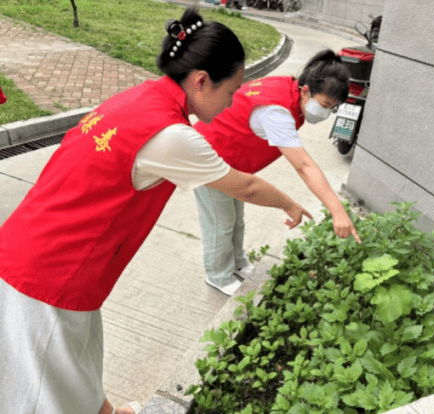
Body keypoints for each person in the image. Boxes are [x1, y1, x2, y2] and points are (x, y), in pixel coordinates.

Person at [0, 8, 311, 414]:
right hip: (50, 273)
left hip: (36, 247)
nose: (234, 101)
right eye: (231, 90)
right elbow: (246, 186)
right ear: (201, 81)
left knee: (75, 361)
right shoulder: (172, 136)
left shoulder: (139, 98)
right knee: (46, 389)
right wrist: (290, 203)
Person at [193, 49, 361, 296]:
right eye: (325, 104)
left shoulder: (287, 87)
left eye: (333, 108)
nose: (326, 112)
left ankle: (237, 264)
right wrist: (337, 211)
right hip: (206, 158)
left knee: (235, 220)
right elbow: (304, 166)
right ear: (306, 91)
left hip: (230, 160)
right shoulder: (277, 112)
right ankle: (218, 275)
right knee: (221, 223)